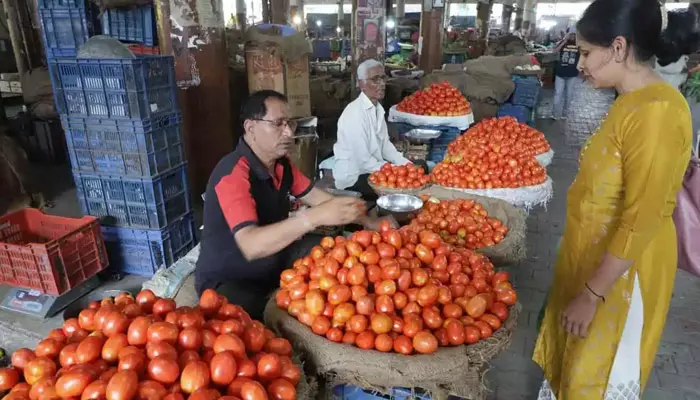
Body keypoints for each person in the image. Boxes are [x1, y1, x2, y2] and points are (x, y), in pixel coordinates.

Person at [534, 1, 698, 399]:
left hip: (623, 278)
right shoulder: (628, 102)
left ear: (620, 48)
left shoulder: (656, 111)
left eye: (587, 52)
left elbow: (641, 217)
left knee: (597, 376)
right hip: (595, 260)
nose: (581, 63)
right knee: (574, 370)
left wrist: (593, 294)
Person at [195, 90, 381, 320]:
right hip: (232, 277)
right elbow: (251, 245)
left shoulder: (281, 165)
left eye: (290, 124)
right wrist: (312, 218)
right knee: (258, 322)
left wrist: (370, 221)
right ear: (250, 127)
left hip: (274, 260)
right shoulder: (233, 173)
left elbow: (321, 199)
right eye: (278, 124)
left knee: (332, 250)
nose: (288, 132)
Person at [332, 59, 413, 201]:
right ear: (361, 84)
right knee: (398, 189)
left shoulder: (378, 109)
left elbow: (386, 146)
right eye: (375, 79)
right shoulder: (354, 114)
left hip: (373, 170)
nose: (382, 84)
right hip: (354, 178)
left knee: (419, 168)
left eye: (383, 78)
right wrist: (395, 170)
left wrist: (406, 164)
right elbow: (363, 162)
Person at [551, 30, 581, 120]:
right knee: (558, 94)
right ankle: (555, 114)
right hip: (560, 73)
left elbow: (584, 56)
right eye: (571, 35)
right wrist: (564, 40)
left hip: (572, 74)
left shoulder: (579, 45)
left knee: (569, 95)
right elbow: (554, 51)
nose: (572, 37)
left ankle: (565, 114)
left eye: (574, 35)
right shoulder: (563, 43)